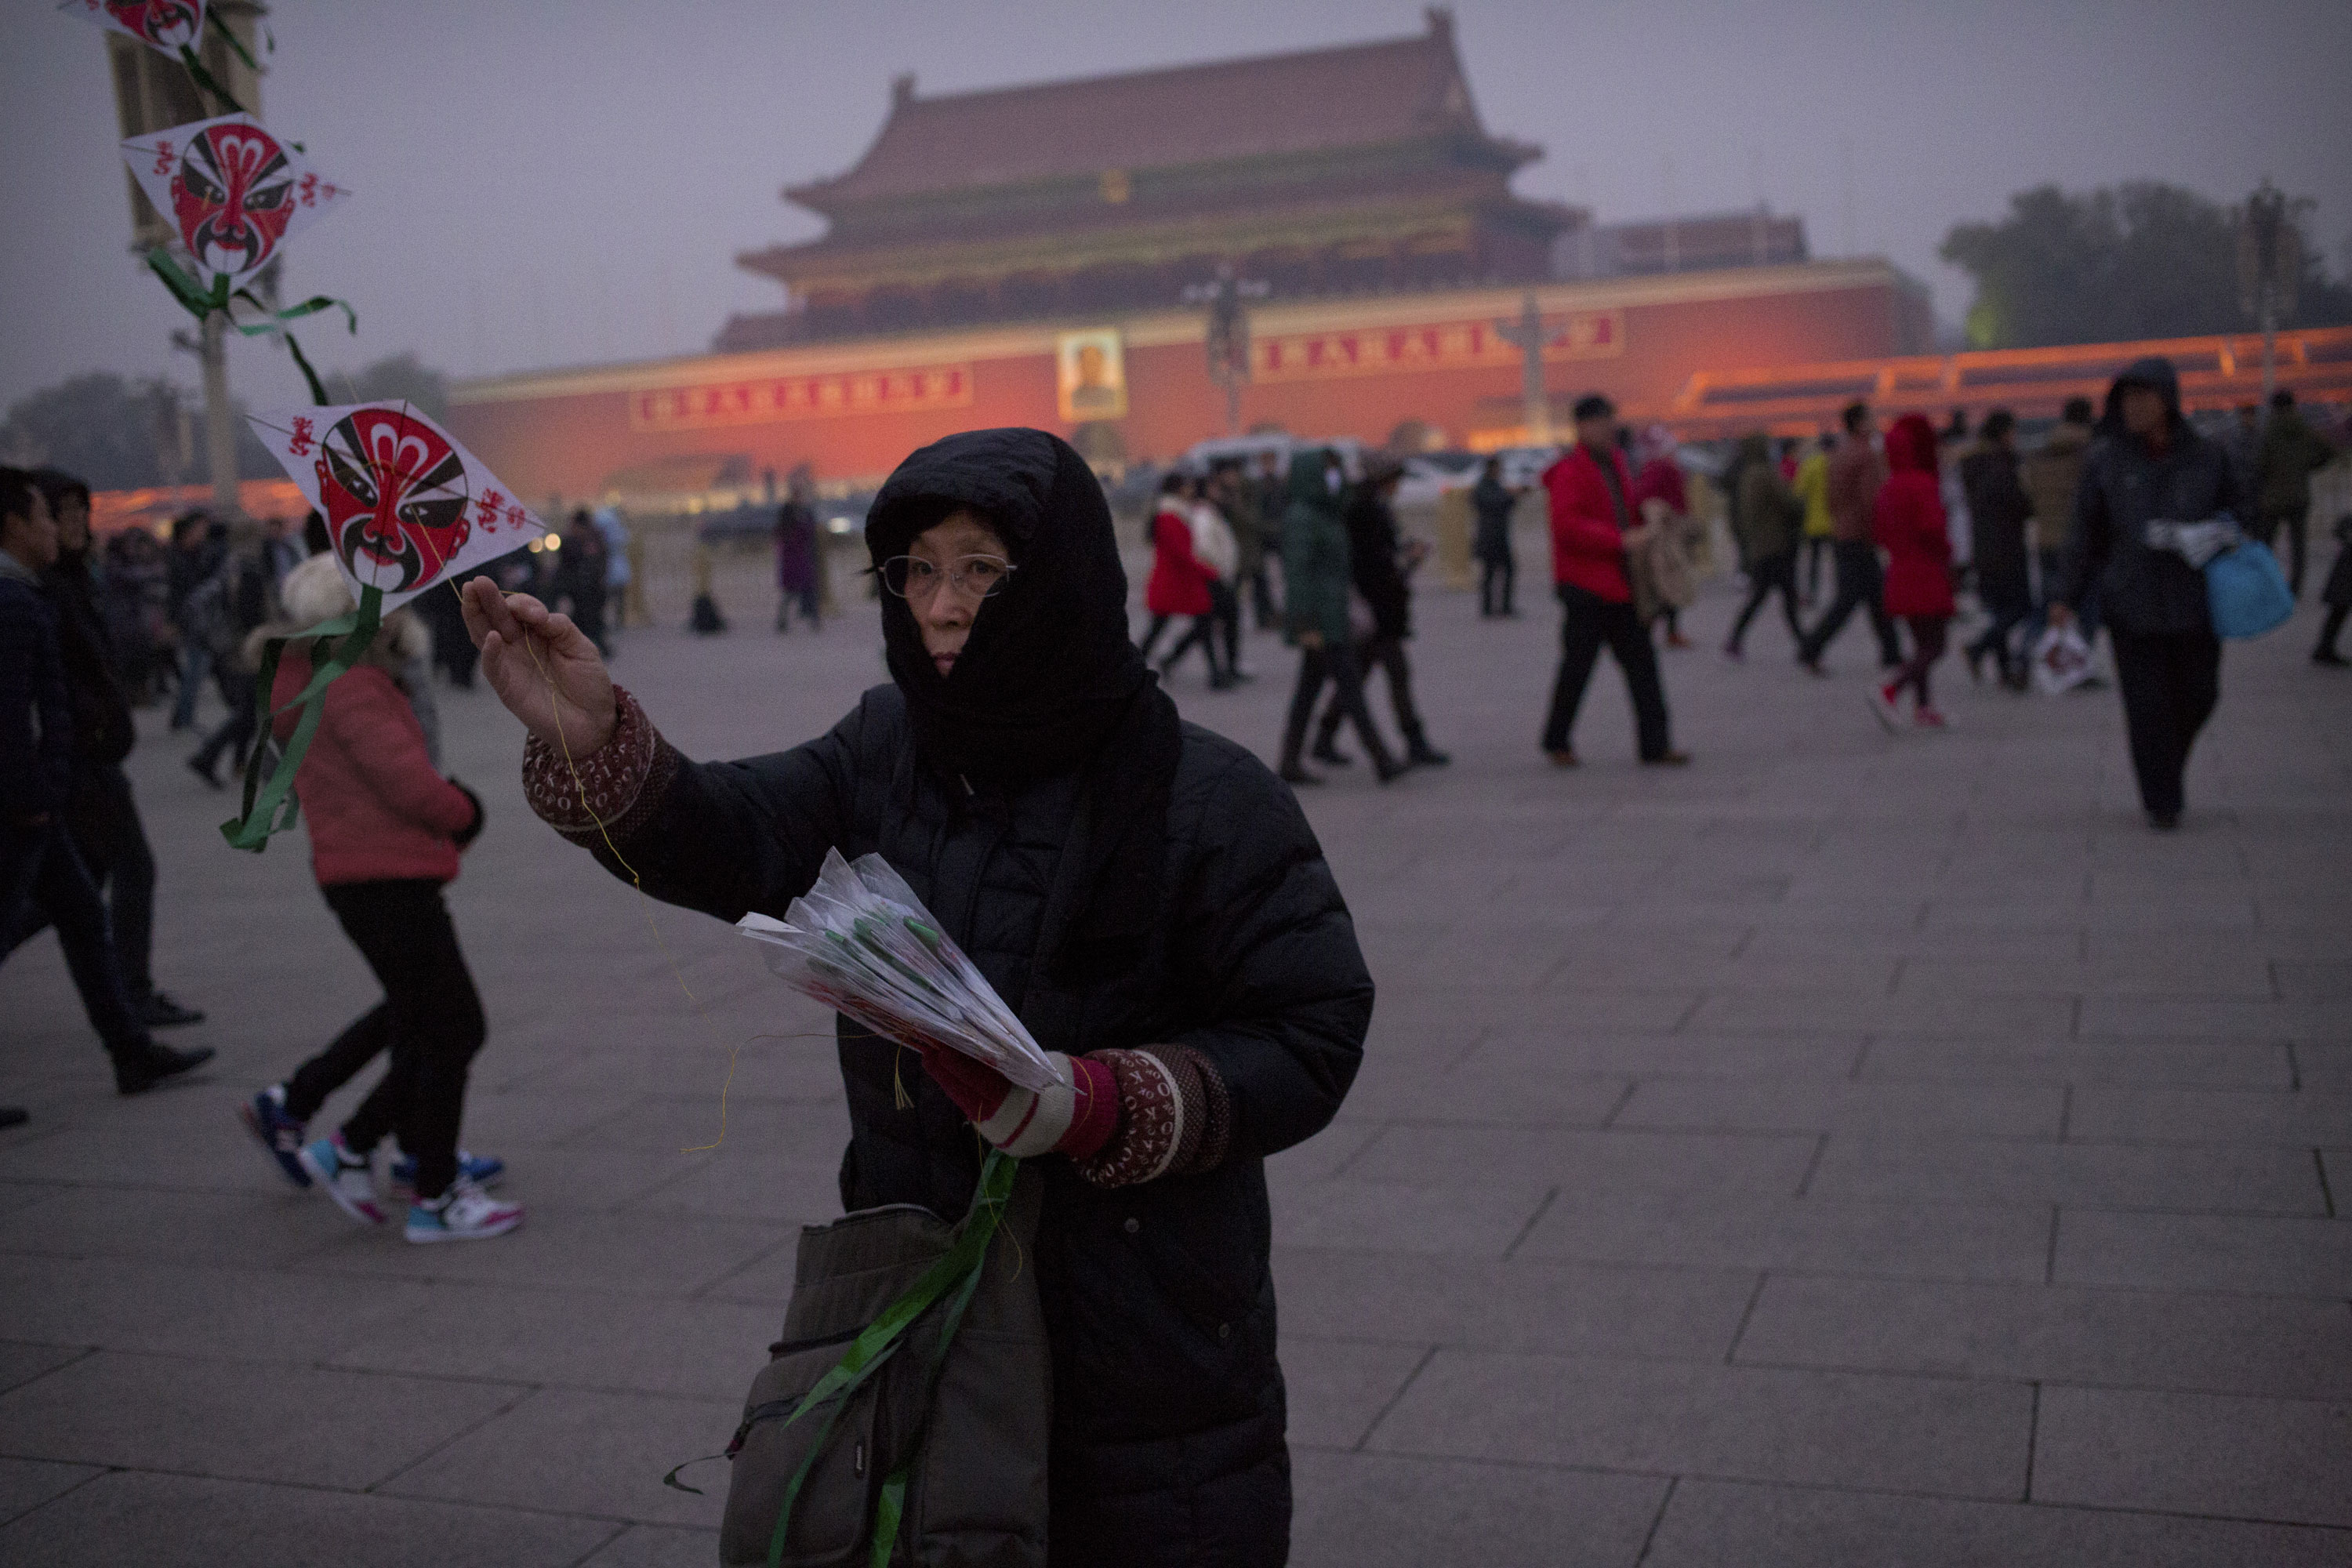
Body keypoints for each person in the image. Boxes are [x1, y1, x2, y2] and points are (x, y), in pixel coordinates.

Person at [459, 426, 1369, 1563]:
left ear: (1064, 575)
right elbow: (733, 835)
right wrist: (596, 741)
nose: (941, 605)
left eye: (982, 568)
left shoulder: (1212, 797)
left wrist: (1106, 1103)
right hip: (925, 1310)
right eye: (917, 569)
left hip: (1150, 1345)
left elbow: (1312, 1030)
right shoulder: (883, 751)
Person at [243, 554, 517, 1240]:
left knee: (429, 1022)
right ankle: (433, 1194)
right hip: (388, 879)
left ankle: (354, 1147)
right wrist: (466, 810)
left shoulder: (308, 680)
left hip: (361, 879)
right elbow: (408, 784)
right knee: (453, 1026)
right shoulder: (355, 688)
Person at [0, 469, 212, 1103]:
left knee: (81, 913)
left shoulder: (47, 590)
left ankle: (131, 1050)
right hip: (45, 792)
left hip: (59, 783)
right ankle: (133, 1027)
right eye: (46, 517)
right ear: (16, 524)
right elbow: (15, 714)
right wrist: (36, 796)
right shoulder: (19, 602)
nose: (60, 530)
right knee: (83, 897)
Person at [2049, 358, 2239, 830]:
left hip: (2194, 600)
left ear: (2168, 400)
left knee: (2200, 692)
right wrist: (2064, 597)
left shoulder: (2207, 457)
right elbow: (2083, 534)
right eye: (2126, 399)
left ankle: (2165, 764)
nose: (2133, 408)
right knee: (2147, 703)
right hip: (2131, 601)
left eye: (2143, 397)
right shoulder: (2107, 460)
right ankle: (2162, 798)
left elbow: (2242, 509)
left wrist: (2216, 533)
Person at [1537, 395, 1686, 768]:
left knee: (1643, 667)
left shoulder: (1617, 463)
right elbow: (1567, 528)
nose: (1609, 429)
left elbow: (1628, 508)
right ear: (1583, 427)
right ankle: (1556, 740)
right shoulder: (1569, 471)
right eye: (1603, 423)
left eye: (1611, 421)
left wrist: (1652, 519)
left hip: (1621, 585)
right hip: (1585, 586)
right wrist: (1618, 539)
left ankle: (1655, 745)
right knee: (1577, 669)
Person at [1312, 456, 1446, 768]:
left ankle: (1324, 738)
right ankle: (1413, 742)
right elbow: (1371, 564)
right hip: (1378, 611)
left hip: (1379, 609)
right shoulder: (1365, 511)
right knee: (1394, 674)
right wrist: (1401, 561)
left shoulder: (1369, 508)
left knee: (1358, 677)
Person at [1280, 448, 1403, 785]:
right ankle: (1382, 760)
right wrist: (1305, 623)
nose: (1333, 477)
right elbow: (1299, 574)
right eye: (1328, 471)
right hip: (1321, 619)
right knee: (1350, 688)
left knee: (1309, 691)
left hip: (1334, 613)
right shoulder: (1302, 516)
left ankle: (1289, 760)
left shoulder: (1325, 513)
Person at [1797, 401, 1903, 673]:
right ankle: (1811, 646)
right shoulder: (1866, 455)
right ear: (1859, 423)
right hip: (1860, 535)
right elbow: (1872, 500)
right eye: (1870, 418)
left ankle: (1892, 653)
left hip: (1843, 532)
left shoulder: (1841, 453)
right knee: (1852, 598)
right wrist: (1882, 532)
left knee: (1876, 597)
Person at [1868, 414, 1957, 731]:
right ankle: (1891, 688)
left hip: (1899, 573)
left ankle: (1924, 708)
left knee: (1920, 645)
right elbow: (1934, 529)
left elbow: (1878, 532)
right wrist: (1950, 557)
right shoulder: (1922, 483)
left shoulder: (1888, 487)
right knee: (1936, 646)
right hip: (1926, 573)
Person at [184, 519, 275, 789]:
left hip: (236, 650)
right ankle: (208, 756)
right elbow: (251, 615)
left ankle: (229, 760)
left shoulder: (231, 566)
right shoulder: (249, 570)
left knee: (250, 710)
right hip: (249, 650)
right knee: (250, 711)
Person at [1960, 409, 2035, 689]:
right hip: (2008, 545)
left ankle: (2004, 670)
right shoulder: (2005, 463)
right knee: (2022, 607)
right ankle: (1980, 647)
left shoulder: (1971, 464)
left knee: (1999, 608)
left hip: (1982, 545)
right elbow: (2019, 504)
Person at [1138, 473, 1229, 688]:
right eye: (1186, 485)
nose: (1190, 489)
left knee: (1195, 626)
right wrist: (1208, 571)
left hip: (1178, 582)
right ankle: (1214, 674)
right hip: (1176, 583)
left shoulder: (1175, 513)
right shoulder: (1169, 516)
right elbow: (1182, 554)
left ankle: (1214, 673)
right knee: (1161, 629)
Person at [2023, 397, 2098, 651]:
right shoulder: (2090, 455)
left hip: (2046, 538)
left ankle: (2025, 652)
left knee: (2047, 603)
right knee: (2087, 603)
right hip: (2078, 541)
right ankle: (2078, 661)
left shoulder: (2040, 456)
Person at [1724, 433, 1804, 660]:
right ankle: (1807, 645)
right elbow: (1788, 503)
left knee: (1763, 596)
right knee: (1785, 598)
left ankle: (1735, 639)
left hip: (1761, 546)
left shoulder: (1749, 475)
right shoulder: (1765, 475)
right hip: (1775, 546)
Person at [2254, 389, 2338, 596]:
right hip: (2299, 496)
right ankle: (2296, 587)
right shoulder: (2303, 429)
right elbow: (2329, 452)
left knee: (2266, 545)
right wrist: (2308, 465)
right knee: (2298, 547)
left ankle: (2265, 584)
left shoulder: (2269, 432)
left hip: (2273, 498)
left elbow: (2260, 465)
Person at [1632, 425, 1699, 648]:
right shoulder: (1662, 468)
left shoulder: (1655, 467)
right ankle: (1661, 631)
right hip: (1666, 535)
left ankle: (1665, 630)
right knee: (1668, 582)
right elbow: (1651, 499)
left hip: (1667, 532)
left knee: (1666, 583)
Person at [553, 509, 612, 655]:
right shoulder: (571, 542)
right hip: (577, 591)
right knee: (581, 622)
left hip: (591, 590)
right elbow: (564, 567)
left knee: (591, 622)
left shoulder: (593, 540)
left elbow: (601, 563)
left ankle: (595, 649)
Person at [1472, 456, 1521, 617]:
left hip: (1498, 537)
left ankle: (1503, 606)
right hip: (1489, 537)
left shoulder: (1495, 485)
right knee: (1490, 574)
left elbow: (1505, 504)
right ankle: (1489, 608)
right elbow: (1493, 503)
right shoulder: (1484, 487)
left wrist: (1513, 496)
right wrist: (1510, 497)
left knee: (1505, 571)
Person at [1793, 432, 1835, 604]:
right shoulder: (1837, 465)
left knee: (1814, 561)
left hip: (1814, 522)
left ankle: (1812, 593)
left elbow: (1798, 492)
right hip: (1835, 522)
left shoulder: (1810, 465)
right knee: (1841, 562)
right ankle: (1839, 594)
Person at [775, 479, 821, 632]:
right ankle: (783, 622)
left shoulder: (803, 512)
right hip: (792, 559)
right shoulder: (788, 512)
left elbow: (809, 532)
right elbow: (784, 534)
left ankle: (814, 622)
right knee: (791, 593)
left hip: (801, 558)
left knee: (807, 592)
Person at [2314, 514, 2351, 666]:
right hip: (2347, 568)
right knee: (2339, 608)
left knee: (2339, 608)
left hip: (2346, 567)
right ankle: (2324, 648)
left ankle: (2325, 647)